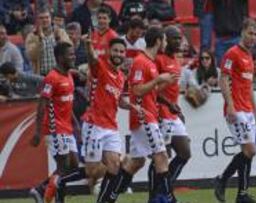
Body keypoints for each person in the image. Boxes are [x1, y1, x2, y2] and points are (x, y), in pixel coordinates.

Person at [106, 26, 177, 203]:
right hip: (144, 118)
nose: (166, 43)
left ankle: (109, 198)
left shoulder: (150, 62)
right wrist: (158, 79)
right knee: (161, 157)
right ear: (159, 41)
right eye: (165, 40)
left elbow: (149, 91)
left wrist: (163, 83)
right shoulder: (141, 61)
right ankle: (169, 199)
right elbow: (136, 91)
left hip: (147, 115)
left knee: (136, 163)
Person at [81, 34, 132, 203]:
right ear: (110, 51)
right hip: (94, 124)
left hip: (111, 126)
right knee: (91, 171)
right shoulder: (101, 67)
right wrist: (88, 45)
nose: (119, 54)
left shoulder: (121, 77)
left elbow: (119, 100)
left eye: (122, 51)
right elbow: (92, 59)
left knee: (116, 166)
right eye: (116, 50)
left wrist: (133, 107)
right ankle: (59, 182)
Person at [214, 19, 256, 203]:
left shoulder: (249, 56)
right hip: (236, 109)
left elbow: (249, 86)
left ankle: (242, 194)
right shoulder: (232, 53)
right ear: (242, 32)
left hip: (247, 109)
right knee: (251, 149)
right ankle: (222, 179)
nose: (253, 38)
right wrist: (230, 105)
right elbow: (223, 79)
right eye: (250, 33)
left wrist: (255, 107)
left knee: (247, 152)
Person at [29, 42, 82, 203]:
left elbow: (67, 104)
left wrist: (76, 125)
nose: (73, 57)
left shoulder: (69, 76)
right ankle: (49, 197)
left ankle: (40, 189)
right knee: (63, 166)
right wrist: (38, 132)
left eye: (73, 54)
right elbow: (41, 106)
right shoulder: (51, 78)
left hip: (66, 128)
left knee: (72, 165)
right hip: (55, 128)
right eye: (70, 54)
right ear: (60, 57)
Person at [146, 25, 191, 201]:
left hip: (172, 114)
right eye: (174, 38)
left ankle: (162, 191)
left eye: (180, 38)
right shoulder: (159, 60)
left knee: (185, 153)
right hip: (161, 113)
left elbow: (171, 90)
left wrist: (176, 108)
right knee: (159, 157)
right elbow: (152, 89)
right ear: (166, 40)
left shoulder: (175, 60)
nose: (178, 41)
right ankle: (156, 196)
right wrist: (169, 105)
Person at [25, 8, 71, 75]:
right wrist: (39, 40)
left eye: (47, 17)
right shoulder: (32, 36)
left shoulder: (60, 32)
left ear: (51, 19)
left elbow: (69, 50)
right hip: (41, 75)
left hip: (59, 73)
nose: (44, 20)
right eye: (41, 18)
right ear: (37, 20)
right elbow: (31, 56)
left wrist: (58, 39)